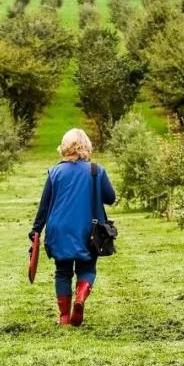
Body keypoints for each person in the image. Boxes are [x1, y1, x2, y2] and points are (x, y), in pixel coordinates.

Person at [30, 128, 116, 326]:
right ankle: (80, 298)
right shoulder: (96, 170)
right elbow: (110, 198)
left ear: (65, 146)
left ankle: (64, 318)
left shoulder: (55, 172)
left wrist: (36, 230)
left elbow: (44, 205)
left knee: (62, 272)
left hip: (58, 229)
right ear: (86, 146)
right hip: (88, 229)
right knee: (87, 268)